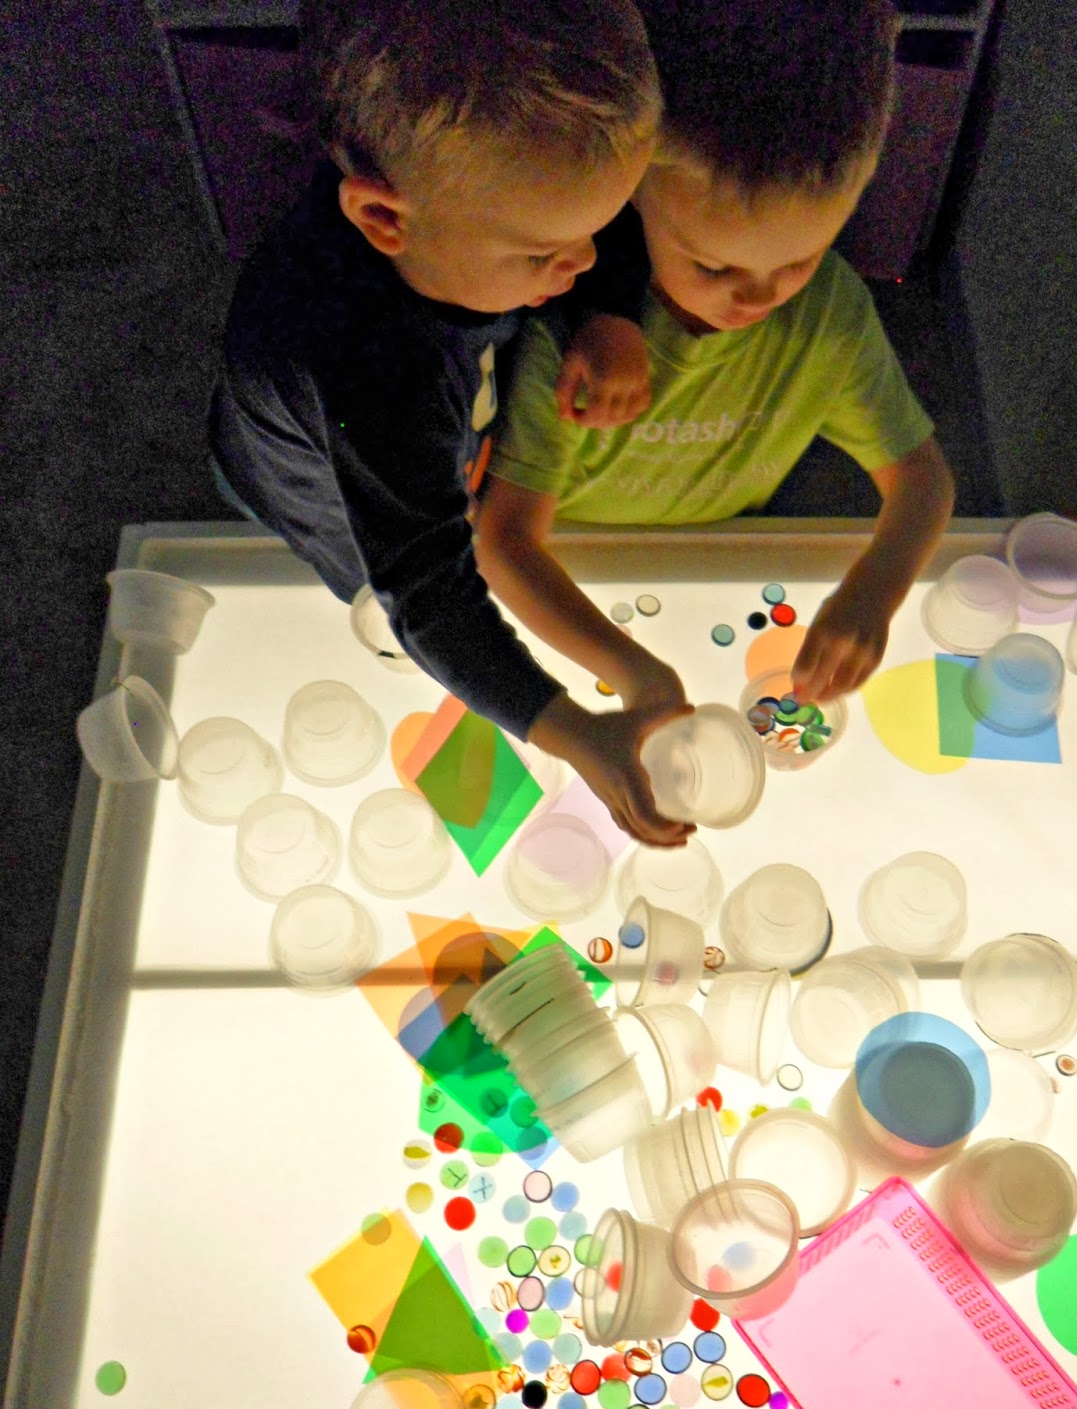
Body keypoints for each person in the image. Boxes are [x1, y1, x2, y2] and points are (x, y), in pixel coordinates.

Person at [208, 0, 693, 847]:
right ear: (384, 220)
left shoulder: (472, 219)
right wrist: (576, 732)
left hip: (438, 398)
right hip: (314, 477)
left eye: (598, 229)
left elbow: (580, 236)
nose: (578, 264)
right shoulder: (367, 360)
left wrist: (607, 312)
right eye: (544, 255)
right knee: (382, 569)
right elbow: (427, 588)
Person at [474, 0, 956, 717]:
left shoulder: (830, 315)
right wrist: (637, 674)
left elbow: (921, 478)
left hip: (725, 560)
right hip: (572, 574)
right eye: (712, 267)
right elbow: (504, 543)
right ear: (631, 201)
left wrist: (872, 593)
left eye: (798, 259)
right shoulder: (573, 335)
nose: (755, 299)